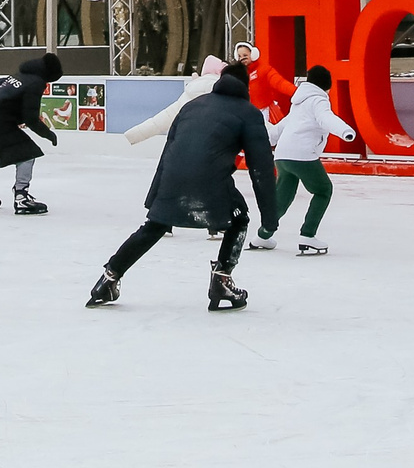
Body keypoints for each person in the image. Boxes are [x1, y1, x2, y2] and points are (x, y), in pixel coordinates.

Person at [87, 59, 278, 311]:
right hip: (211, 182)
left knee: (155, 225)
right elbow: (261, 168)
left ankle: (108, 278)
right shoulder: (248, 113)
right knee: (239, 218)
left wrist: (155, 198)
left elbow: (169, 151)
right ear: (246, 87)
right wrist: (270, 217)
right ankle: (222, 279)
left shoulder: (192, 106)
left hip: (172, 178)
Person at [258, 64, 357, 254]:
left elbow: (281, 127)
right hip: (302, 155)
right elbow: (326, 118)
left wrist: (265, 141)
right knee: (323, 190)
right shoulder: (318, 100)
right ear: (325, 86)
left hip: (282, 155)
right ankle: (308, 235)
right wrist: (346, 131)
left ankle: (263, 235)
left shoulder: (299, 102)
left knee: (282, 197)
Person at [0, 52, 64, 213]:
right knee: (27, 155)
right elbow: (31, 117)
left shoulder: (19, 75)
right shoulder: (36, 82)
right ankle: (22, 198)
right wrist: (48, 134)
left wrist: (9, 112)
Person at [123, 56, 227, 145]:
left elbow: (160, 121)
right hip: (207, 135)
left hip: (187, 131)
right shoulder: (218, 85)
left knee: (157, 123)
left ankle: (132, 135)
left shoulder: (194, 86)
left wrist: (132, 136)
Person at [231, 41, 294, 123]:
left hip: (266, 113)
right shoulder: (236, 74)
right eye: (239, 56)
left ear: (253, 54)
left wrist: (297, 92)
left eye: (245, 55)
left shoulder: (264, 70)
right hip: (246, 113)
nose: (242, 58)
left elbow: (280, 83)